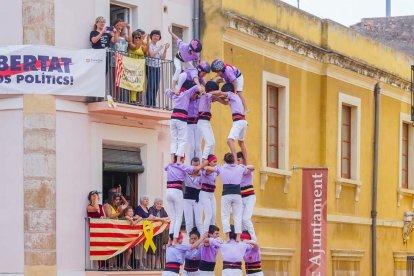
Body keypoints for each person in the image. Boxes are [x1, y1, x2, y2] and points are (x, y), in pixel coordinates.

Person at [205, 153, 254, 241]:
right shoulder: (240, 168)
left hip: (226, 194)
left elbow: (208, 168)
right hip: (237, 194)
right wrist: (243, 165)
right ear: (233, 160)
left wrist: (204, 165)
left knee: (225, 215)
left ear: (225, 160)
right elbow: (251, 168)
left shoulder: (221, 168)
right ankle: (238, 237)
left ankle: (227, 236)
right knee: (237, 216)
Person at [165, 156, 200, 244]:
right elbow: (196, 169)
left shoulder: (170, 165)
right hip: (177, 191)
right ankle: (175, 239)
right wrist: (204, 164)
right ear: (181, 158)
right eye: (183, 158)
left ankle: (170, 240)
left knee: (173, 218)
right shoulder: (183, 166)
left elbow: (165, 167)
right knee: (179, 218)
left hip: (168, 190)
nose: (184, 160)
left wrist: (171, 161)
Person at [210, 83, 248, 164]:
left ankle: (235, 161)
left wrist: (209, 93)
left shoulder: (231, 94)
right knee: (241, 143)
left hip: (238, 121)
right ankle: (246, 163)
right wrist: (216, 98)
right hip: (243, 121)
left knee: (229, 141)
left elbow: (220, 93)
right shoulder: (235, 98)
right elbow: (225, 103)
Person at [165, 84, 201, 163]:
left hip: (173, 117)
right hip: (181, 119)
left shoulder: (175, 95)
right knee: (182, 141)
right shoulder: (186, 94)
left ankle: (172, 160)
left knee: (174, 140)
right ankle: (178, 161)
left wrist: (174, 90)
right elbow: (196, 86)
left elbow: (166, 91)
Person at [168, 24, 202, 91]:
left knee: (193, 70)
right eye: (194, 51)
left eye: (196, 52)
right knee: (178, 69)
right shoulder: (183, 46)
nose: (195, 53)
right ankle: (173, 87)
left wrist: (198, 66)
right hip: (178, 58)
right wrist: (170, 32)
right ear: (190, 48)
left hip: (185, 61)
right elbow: (177, 38)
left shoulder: (196, 54)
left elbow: (197, 62)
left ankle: (196, 85)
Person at [197, 81, 221, 163]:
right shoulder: (205, 96)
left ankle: (210, 159)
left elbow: (217, 97)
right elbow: (217, 94)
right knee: (209, 142)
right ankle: (204, 160)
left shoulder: (208, 97)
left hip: (206, 122)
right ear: (211, 90)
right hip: (202, 122)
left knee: (213, 142)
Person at [146, 29, 170, 107]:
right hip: (150, 66)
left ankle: (153, 103)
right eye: (155, 35)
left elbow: (162, 58)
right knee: (151, 85)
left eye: (158, 35)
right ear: (151, 36)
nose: (156, 37)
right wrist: (159, 49)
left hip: (157, 67)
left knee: (156, 86)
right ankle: (149, 103)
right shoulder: (149, 45)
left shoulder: (157, 46)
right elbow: (151, 55)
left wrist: (165, 49)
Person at [237, 151, 257, 240]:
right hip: (241, 197)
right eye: (236, 160)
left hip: (250, 197)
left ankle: (254, 238)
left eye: (238, 160)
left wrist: (242, 166)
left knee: (246, 219)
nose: (237, 162)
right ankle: (243, 237)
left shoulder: (247, 169)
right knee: (240, 220)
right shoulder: (237, 171)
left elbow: (252, 167)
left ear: (243, 160)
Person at [198, 154, 219, 233]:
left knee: (213, 215)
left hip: (211, 194)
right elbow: (206, 169)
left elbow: (218, 170)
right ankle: (205, 233)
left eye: (216, 161)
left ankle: (212, 234)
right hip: (204, 194)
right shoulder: (205, 171)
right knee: (208, 215)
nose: (216, 163)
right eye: (214, 161)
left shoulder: (215, 171)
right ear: (209, 163)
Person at [148, 198, 170, 269]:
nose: (159, 205)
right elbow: (151, 217)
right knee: (151, 249)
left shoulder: (163, 209)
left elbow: (167, 218)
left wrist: (163, 219)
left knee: (159, 250)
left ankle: (157, 266)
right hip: (152, 232)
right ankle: (151, 266)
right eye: (158, 204)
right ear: (154, 204)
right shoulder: (151, 208)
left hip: (160, 233)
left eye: (160, 204)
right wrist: (161, 219)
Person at [183, 157, 203, 235]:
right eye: (194, 166)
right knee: (188, 221)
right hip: (187, 199)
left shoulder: (202, 174)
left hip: (197, 199)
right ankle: (189, 238)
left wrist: (200, 171)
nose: (195, 168)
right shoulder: (186, 173)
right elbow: (182, 167)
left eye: (197, 165)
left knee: (198, 221)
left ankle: (201, 239)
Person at [128, 30, 148, 104]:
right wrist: (142, 40)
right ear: (133, 38)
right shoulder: (131, 45)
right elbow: (136, 48)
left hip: (140, 67)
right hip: (132, 66)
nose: (138, 39)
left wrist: (148, 39)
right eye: (136, 37)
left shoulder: (141, 46)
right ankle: (133, 100)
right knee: (133, 83)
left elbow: (147, 50)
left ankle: (139, 100)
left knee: (140, 83)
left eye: (139, 38)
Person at [134, 195, 154, 269]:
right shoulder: (139, 208)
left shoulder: (147, 208)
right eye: (145, 199)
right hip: (140, 230)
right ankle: (140, 264)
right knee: (139, 247)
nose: (147, 200)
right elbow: (138, 218)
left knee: (145, 247)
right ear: (141, 200)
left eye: (148, 199)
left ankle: (144, 263)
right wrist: (147, 218)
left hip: (147, 230)